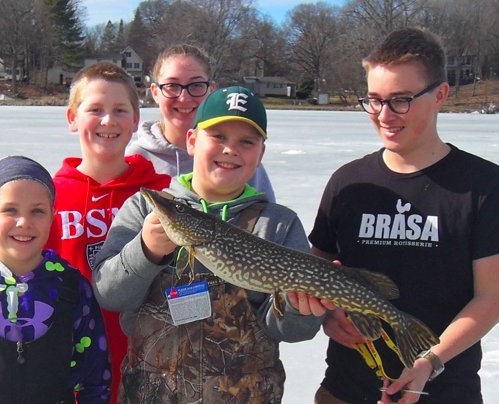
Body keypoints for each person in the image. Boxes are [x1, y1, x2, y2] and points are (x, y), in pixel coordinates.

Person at [93, 86, 327, 403]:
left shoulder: (278, 225)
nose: (230, 149)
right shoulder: (143, 211)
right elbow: (109, 294)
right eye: (217, 136)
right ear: (192, 141)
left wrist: (301, 310)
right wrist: (145, 250)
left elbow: (292, 331)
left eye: (246, 142)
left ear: (260, 155)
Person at [309, 27, 499, 404]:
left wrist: (431, 360)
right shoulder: (348, 182)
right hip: (345, 391)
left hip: (446, 392)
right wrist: (327, 318)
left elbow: (490, 297)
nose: (384, 115)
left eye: (400, 100)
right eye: (374, 100)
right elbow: (317, 274)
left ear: (440, 95)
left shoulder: (482, 186)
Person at [45, 62, 171, 402]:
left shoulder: (164, 194)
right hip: (73, 365)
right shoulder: (48, 197)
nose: (108, 121)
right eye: (95, 109)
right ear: (72, 118)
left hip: (152, 362)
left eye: (119, 110)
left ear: (134, 121)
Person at [0, 155, 111, 403]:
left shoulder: (71, 287)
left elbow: (95, 382)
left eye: (37, 211)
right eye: (10, 210)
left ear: (52, 216)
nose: (24, 222)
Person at [125, 44, 276, 202]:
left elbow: (268, 220)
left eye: (196, 85)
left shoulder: (237, 161)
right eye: (172, 86)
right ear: (155, 93)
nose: (184, 98)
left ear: (211, 89)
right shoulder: (134, 160)